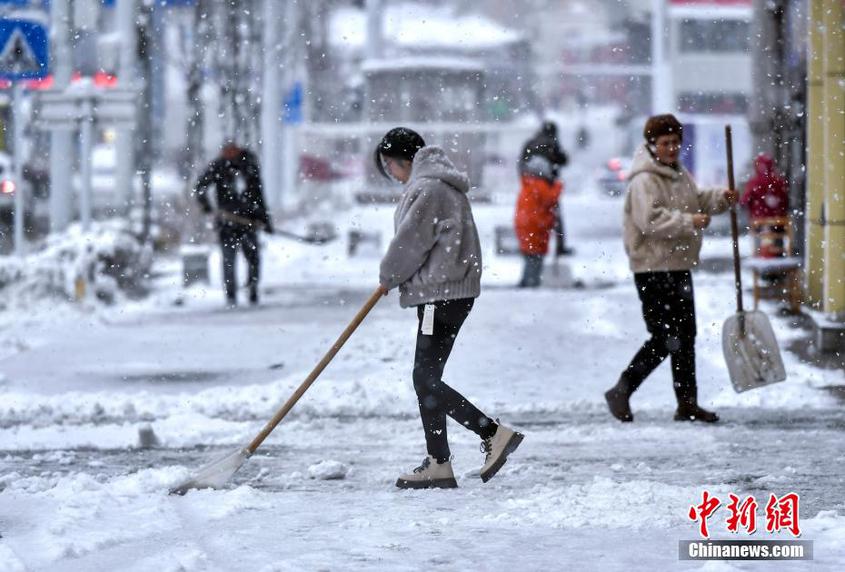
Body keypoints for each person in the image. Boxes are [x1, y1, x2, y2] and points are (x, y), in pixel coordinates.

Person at [375, 127, 524, 489]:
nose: (392, 175)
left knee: (424, 378)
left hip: (437, 296)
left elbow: (410, 243)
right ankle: (439, 462)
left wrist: (388, 276)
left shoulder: (427, 189)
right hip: (452, 293)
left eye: (391, 167)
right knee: (426, 377)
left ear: (402, 162)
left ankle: (490, 433)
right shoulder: (445, 184)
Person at [604, 114, 738, 424]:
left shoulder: (677, 174)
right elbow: (649, 221)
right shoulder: (644, 180)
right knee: (664, 336)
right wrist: (688, 222)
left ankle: (687, 403)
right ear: (652, 145)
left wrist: (721, 198)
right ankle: (621, 390)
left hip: (677, 266)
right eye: (665, 143)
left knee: (685, 335)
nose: (672, 148)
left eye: (676, 142)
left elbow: (697, 199)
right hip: (652, 268)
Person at [194, 142, 273, 307]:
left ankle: (252, 289)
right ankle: (230, 294)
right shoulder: (218, 167)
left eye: (232, 150)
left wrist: (265, 220)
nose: (228, 153)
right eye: (226, 150)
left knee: (253, 258)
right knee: (228, 259)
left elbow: (259, 195)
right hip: (226, 222)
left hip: (249, 221)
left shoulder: (249, 167)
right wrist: (208, 208)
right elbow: (200, 188)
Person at [519, 121, 573, 255]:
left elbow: (521, 163)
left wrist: (526, 182)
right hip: (547, 187)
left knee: (531, 217)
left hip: (530, 186)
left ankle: (530, 246)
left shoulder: (530, 143)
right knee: (555, 217)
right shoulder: (552, 143)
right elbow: (563, 160)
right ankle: (559, 247)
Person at [514, 154, 563, 287]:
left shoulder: (527, 183)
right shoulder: (539, 184)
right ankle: (531, 282)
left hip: (526, 226)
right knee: (535, 257)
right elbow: (550, 199)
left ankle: (526, 280)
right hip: (535, 227)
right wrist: (558, 186)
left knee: (530, 256)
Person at [741, 153, 789, 258]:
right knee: (777, 242)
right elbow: (785, 202)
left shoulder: (754, 183)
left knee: (761, 242)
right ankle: (777, 256)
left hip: (759, 223)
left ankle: (762, 255)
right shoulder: (779, 181)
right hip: (779, 224)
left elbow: (744, 201)